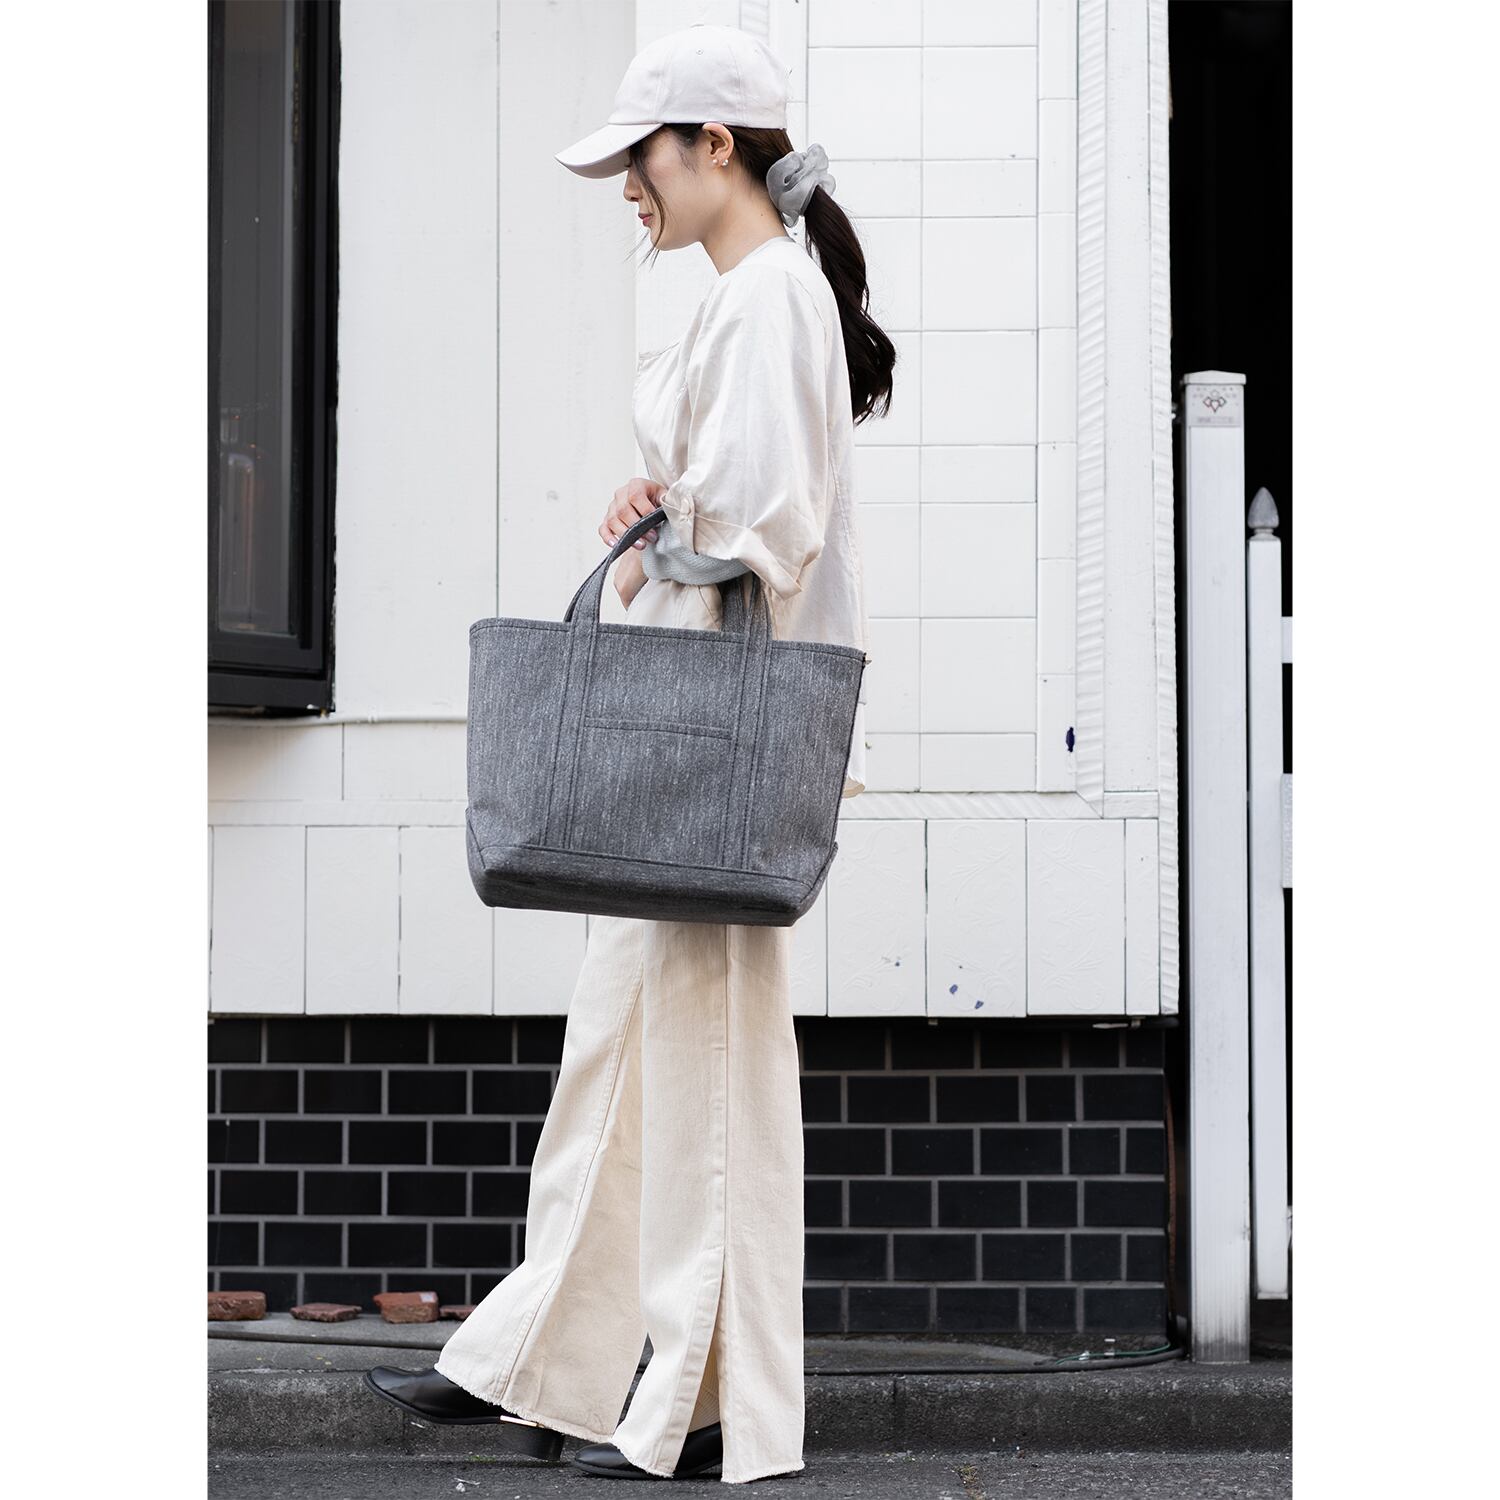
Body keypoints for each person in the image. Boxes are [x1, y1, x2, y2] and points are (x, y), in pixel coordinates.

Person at [363, 22, 894, 1484]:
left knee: (705, 1074)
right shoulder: (755, 294)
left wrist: (669, 526)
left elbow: (767, 526)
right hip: (693, 740)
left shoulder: (771, 296)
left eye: (640, 160)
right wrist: (663, 502)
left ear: (716, 146)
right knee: (618, 1050)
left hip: (714, 745)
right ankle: (545, 1362)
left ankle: (707, 1409)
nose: (627, 189)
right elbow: (739, 499)